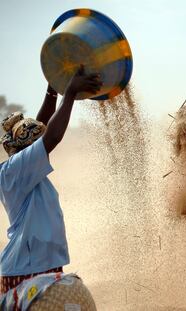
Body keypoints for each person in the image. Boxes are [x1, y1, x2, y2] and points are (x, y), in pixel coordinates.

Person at [0, 66, 101, 297]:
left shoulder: (25, 168)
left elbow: (42, 128)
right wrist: (71, 93)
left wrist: (52, 90)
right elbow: (51, 136)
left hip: (40, 265)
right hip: (26, 270)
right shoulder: (14, 171)